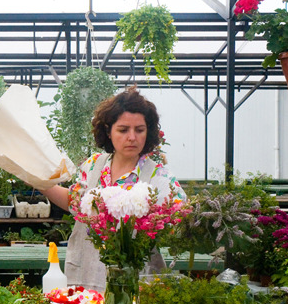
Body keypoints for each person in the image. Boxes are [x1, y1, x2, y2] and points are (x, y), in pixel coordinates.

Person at [41, 87, 186, 291]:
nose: (132, 137)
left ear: (148, 132)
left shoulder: (158, 177)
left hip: (135, 283)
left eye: (140, 130)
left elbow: (180, 220)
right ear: (108, 131)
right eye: (123, 129)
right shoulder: (93, 166)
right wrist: (40, 183)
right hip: (87, 274)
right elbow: (73, 203)